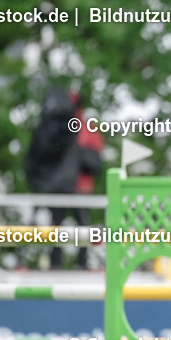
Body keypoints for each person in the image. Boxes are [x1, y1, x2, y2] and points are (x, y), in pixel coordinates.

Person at [24, 86, 102, 269]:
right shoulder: (56, 127)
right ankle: (55, 262)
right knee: (56, 225)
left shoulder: (86, 129)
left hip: (79, 187)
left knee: (81, 225)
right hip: (59, 186)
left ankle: (82, 263)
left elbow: (94, 163)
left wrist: (78, 155)